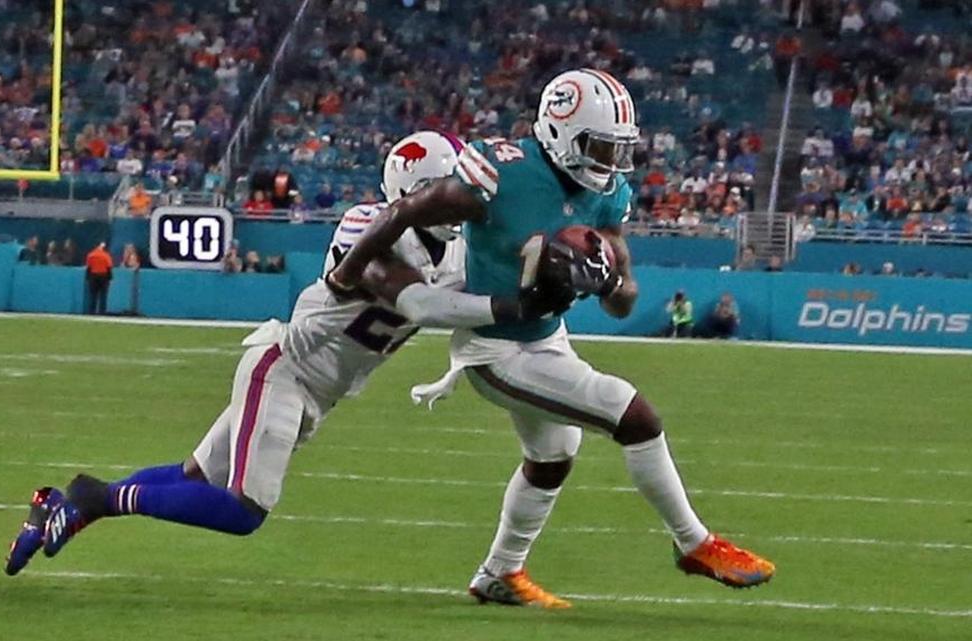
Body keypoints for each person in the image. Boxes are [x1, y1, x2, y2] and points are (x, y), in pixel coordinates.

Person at [3, 131, 572, 577]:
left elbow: (478, 286)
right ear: (413, 196)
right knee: (244, 510)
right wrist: (513, 305)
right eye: (444, 193)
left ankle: (57, 504)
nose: (459, 205)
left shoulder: (457, 252)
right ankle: (96, 499)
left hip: (317, 391)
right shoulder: (367, 229)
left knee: (194, 477)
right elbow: (419, 305)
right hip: (286, 369)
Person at [329, 70, 774, 608]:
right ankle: (694, 543)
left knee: (553, 456)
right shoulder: (500, 174)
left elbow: (622, 301)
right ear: (561, 133)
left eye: (618, 149)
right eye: (600, 147)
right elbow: (404, 211)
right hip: (494, 346)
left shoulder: (606, 192)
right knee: (633, 416)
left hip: (546, 338)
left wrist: (606, 278)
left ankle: (499, 574)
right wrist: (348, 272)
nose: (610, 162)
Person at [84, 242, 113, 315]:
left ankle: (91, 312)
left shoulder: (91, 255)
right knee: (103, 296)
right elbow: (109, 267)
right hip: (103, 276)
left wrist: (87, 278)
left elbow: (88, 268)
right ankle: (102, 312)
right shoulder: (106, 255)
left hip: (93, 276)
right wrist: (110, 278)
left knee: (93, 295)